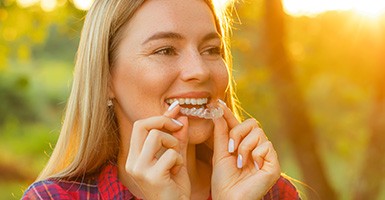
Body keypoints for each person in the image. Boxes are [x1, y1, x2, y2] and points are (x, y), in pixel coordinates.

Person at [23, 0, 300, 199]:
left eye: (211, 49)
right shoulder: (52, 198)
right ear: (106, 77)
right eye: (166, 50)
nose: (200, 71)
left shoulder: (270, 192)